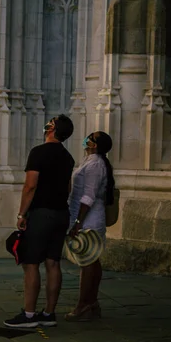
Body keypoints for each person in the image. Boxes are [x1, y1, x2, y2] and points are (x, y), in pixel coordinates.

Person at [4, 115, 74, 328]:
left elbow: (30, 186)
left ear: (52, 129)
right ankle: (49, 313)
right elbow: (68, 187)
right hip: (61, 212)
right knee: (53, 262)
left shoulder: (38, 152)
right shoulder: (68, 157)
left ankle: (29, 314)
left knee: (31, 263)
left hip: (41, 213)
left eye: (50, 123)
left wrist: (21, 214)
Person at [65, 131, 114, 321]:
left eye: (90, 138)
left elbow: (89, 196)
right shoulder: (90, 161)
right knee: (92, 260)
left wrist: (78, 222)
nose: (86, 139)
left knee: (87, 262)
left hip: (89, 219)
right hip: (86, 217)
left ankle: (83, 304)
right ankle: (91, 302)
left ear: (94, 145)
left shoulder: (95, 164)